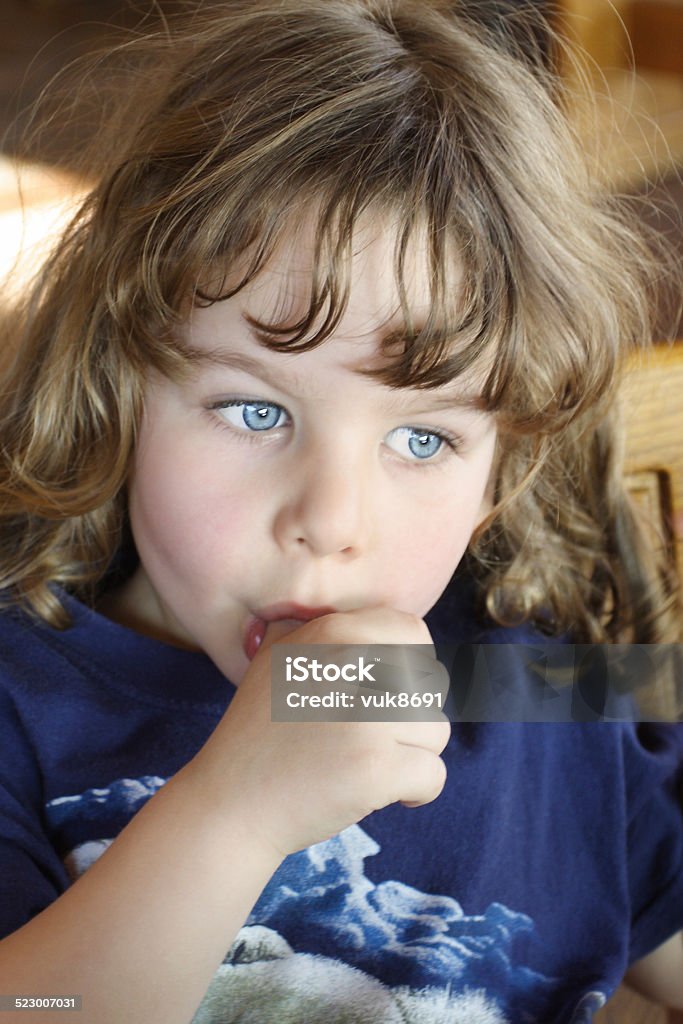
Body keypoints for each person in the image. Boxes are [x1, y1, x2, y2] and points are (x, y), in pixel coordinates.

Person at [0, 1, 681, 1021]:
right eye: (254, 408)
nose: (331, 519)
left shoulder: (551, 687)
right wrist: (227, 819)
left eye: (422, 439)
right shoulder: (21, 700)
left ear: (500, 463)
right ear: (117, 383)